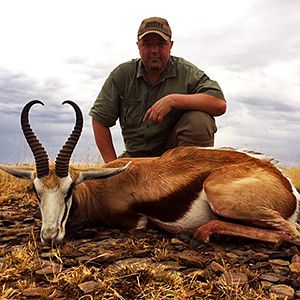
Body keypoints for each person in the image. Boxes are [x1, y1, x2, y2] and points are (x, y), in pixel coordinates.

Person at [89, 17, 226, 163]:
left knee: (199, 120)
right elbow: (99, 119)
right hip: (135, 161)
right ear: (138, 46)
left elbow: (219, 104)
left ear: (170, 45)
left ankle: (190, 181)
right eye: (147, 44)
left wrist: (173, 100)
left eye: (161, 44)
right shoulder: (122, 74)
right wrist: (111, 166)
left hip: (173, 161)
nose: (154, 51)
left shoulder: (187, 72)